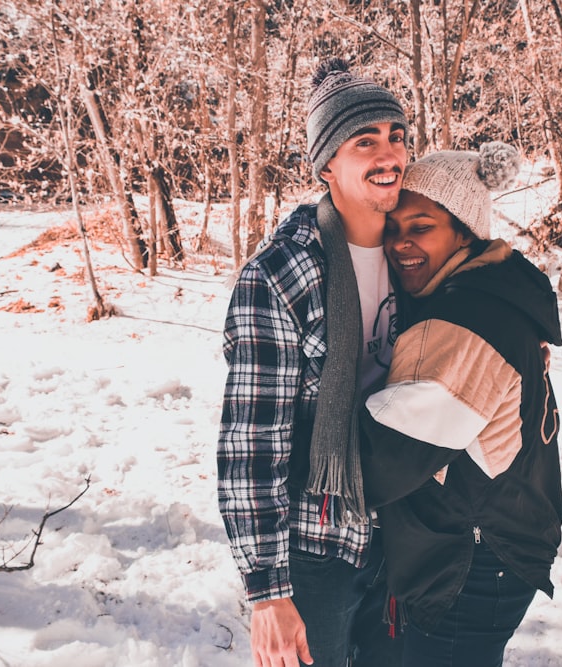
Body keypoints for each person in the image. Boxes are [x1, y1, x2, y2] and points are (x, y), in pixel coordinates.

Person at [217, 57, 409, 667]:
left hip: (402, 532)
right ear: (326, 164)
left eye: (396, 136)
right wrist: (268, 594)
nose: (389, 155)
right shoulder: (281, 275)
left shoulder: (419, 249)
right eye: (365, 141)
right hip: (313, 546)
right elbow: (251, 439)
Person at [359, 142, 562, 667]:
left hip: (468, 560)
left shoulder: (465, 320)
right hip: (493, 544)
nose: (402, 243)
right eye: (394, 229)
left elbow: (389, 455)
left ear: (464, 230)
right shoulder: (492, 289)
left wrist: (289, 447)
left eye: (421, 226)